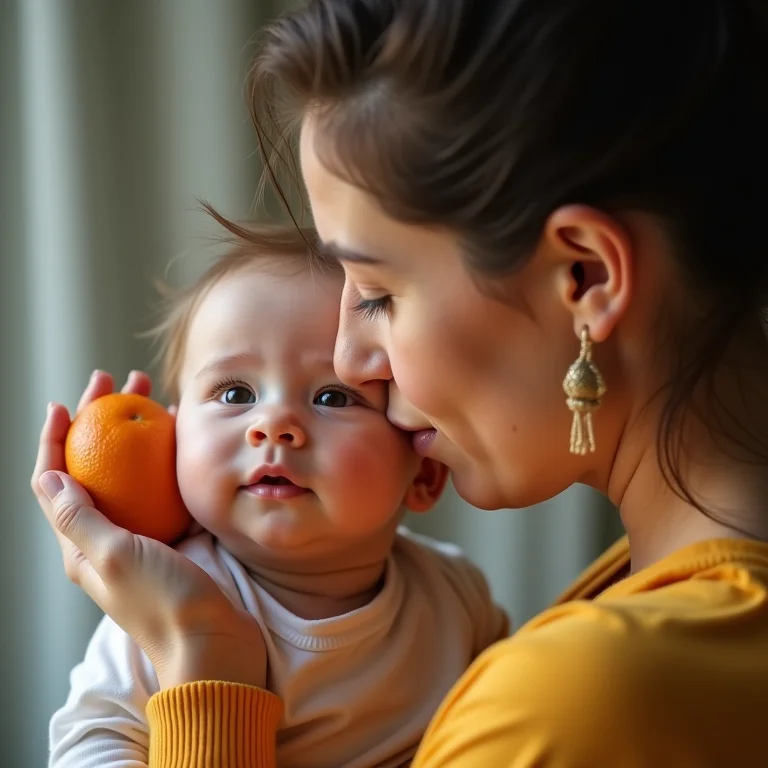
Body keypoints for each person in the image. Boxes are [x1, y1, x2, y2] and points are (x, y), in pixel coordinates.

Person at [31, 0, 768, 765]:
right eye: (233, 392)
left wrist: (202, 660)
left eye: (378, 294)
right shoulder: (646, 617)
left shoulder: (578, 705)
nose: (353, 359)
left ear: (584, 275)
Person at [45, 224, 508, 768]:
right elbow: (88, 746)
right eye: (235, 392)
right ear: (174, 439)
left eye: (332, 396)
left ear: (425, 475)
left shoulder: (456, 596)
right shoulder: (164, 604)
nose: (273, 424)